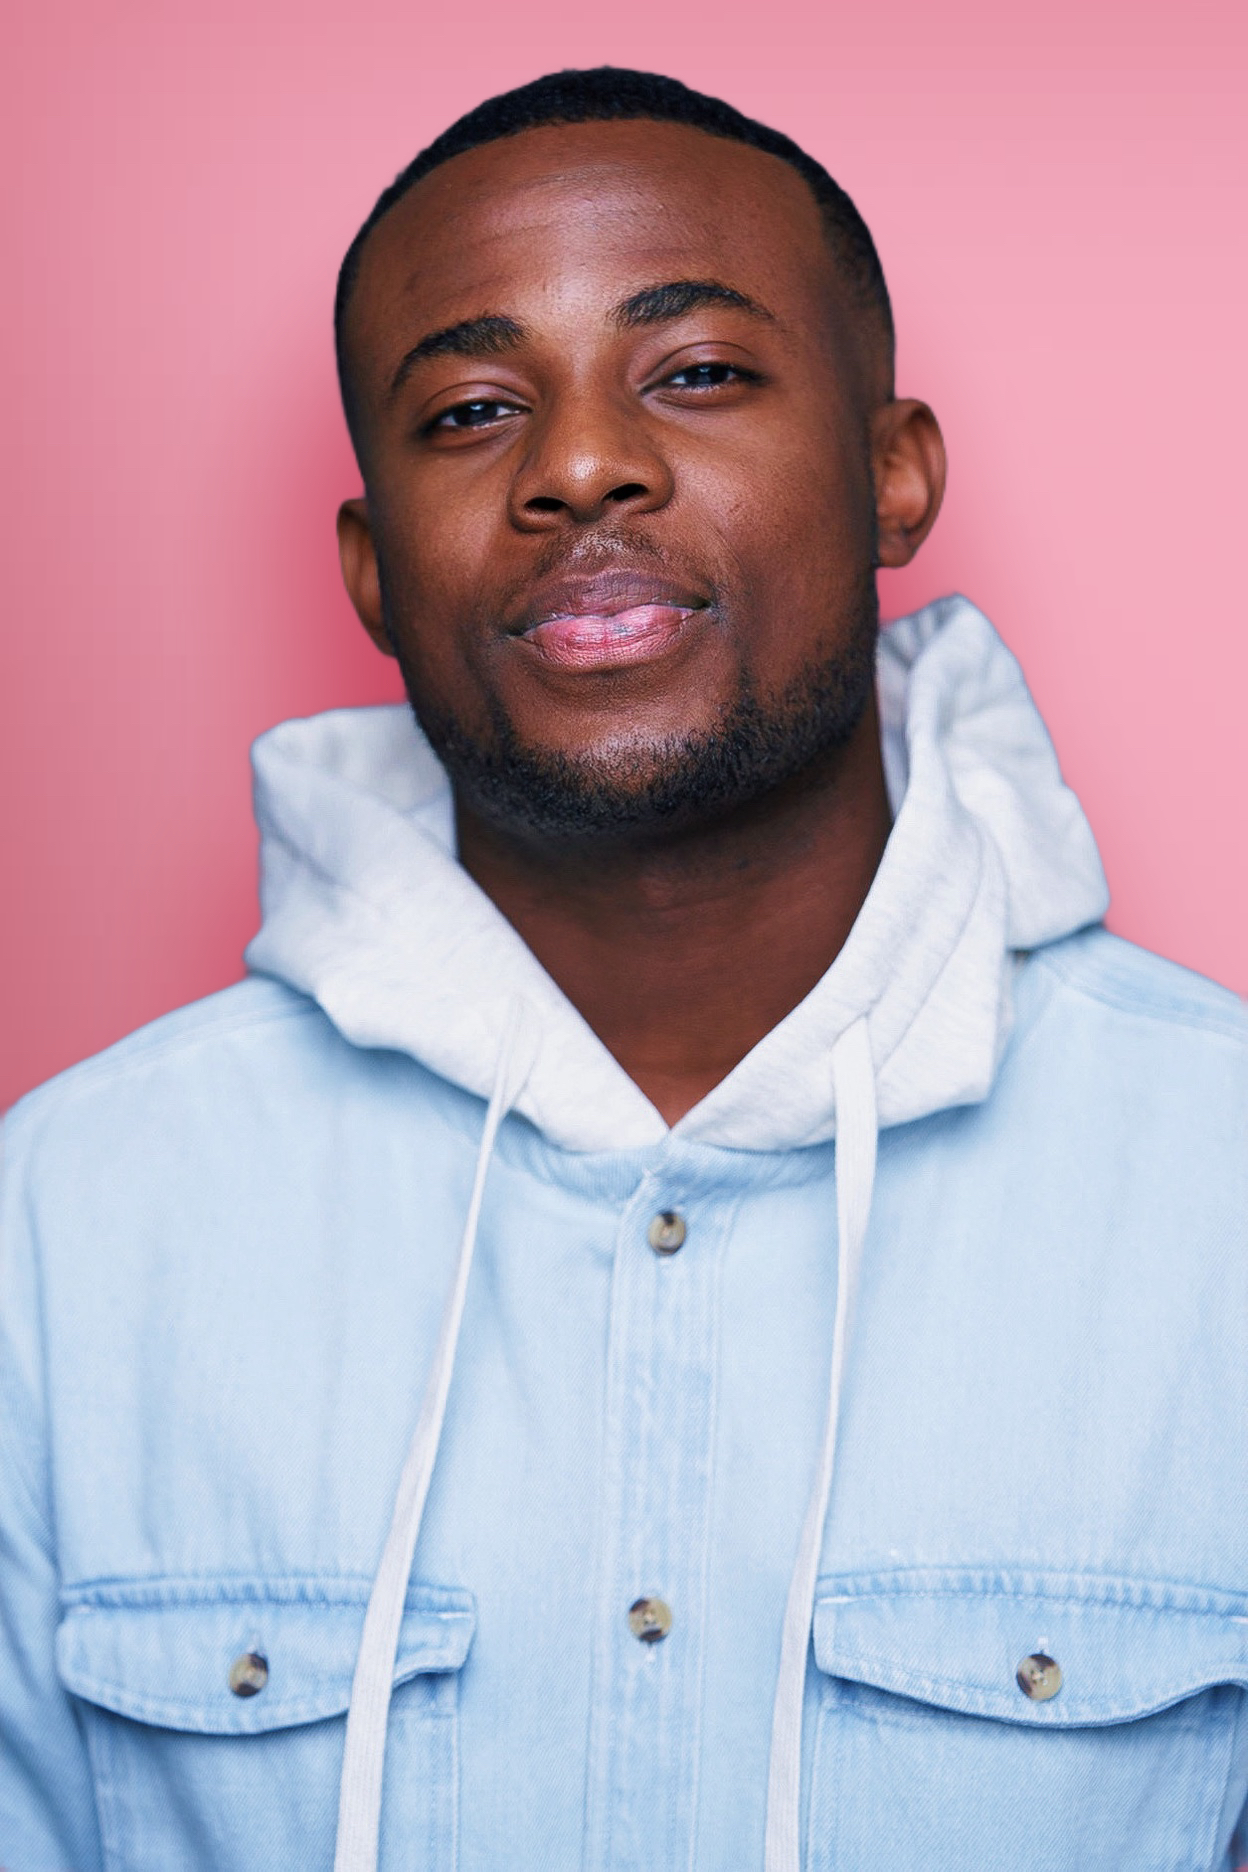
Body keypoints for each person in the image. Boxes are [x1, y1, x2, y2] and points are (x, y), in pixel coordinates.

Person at [1, 64, 1245, 1872]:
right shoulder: (59, 1226)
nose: (579, 464)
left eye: (698, 373)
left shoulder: (1220, 1185)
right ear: (369, 567)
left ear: (895, 473)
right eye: (472, 410)